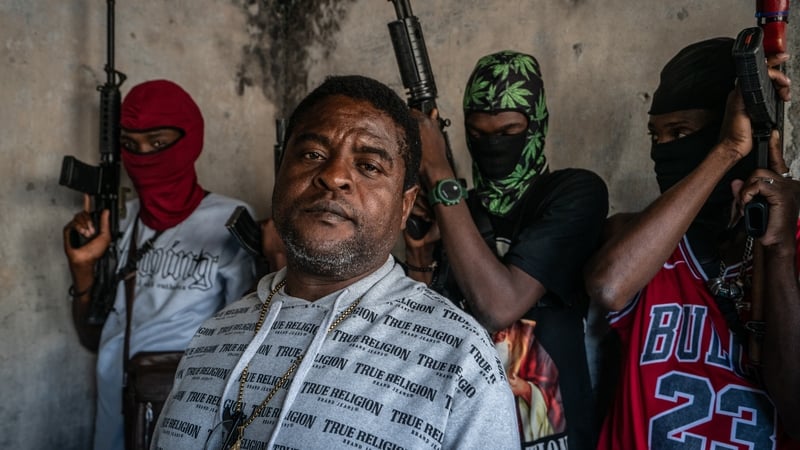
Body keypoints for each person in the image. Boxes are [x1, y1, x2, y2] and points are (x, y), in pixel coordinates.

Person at [150, 75, 520, 450]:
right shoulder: (212, 334)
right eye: (312, 155)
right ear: (281, 173)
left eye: (369, 166)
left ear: (404, 206)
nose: (334, 176)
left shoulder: (458, 357)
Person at [584, 37, 800, 448]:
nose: (663, 150)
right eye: (656, 136)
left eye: (680, 132)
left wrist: (781, 249)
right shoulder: (640, 238)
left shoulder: (790, 243)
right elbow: (609, 287)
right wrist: (725, 150)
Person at [405, 50, 608, 449]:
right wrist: (418, 253)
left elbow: (501, 305)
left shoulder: (573, 193)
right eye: (478, 135)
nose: (492, 146)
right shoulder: (455, 208)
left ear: (538, 124)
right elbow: (421, 328)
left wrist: (439, 171)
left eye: (509, 132)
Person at [63, 79, 257, 450]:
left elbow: (243, 332)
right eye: (131, 146)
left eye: (158, 144)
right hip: (115, 391)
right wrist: (82, 268)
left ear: (190, 140)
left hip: (188, 394)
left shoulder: (230, 219)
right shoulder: (119, 221)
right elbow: (89, 333)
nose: (144, 158)